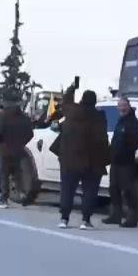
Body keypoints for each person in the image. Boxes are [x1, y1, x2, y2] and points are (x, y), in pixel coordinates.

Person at [55, 86, 109, 230]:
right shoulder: (99, 117)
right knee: (90, 191)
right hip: (93, 161)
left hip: (70, 160)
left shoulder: (71, 112)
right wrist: (106, 158)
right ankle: (85, 220)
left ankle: (64, 219)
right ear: (95, 102)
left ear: (82, 99)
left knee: (67, 190)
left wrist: (72, 89)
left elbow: (65, 102)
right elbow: (102, 140)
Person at [102, 97, 138, 228]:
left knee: (128, 190)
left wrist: (125, 152)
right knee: (114, 188)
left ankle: (132, 218)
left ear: (129, 106)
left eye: (124, 105)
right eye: (120, 106)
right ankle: (116, 215)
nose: (122, 108)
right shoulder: (121, 121)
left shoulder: (133, 123)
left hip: (126, 162)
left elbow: (134, 143)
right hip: (115, 162)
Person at [0, 95, 34, 208]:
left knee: (4, 174)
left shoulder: (3, 116)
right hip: (18, 149)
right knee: (17, 173)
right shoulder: (24, 118)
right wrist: (22, 142)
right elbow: (30, 134)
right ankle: (22, 194)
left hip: (4, 149)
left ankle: (4, 199)